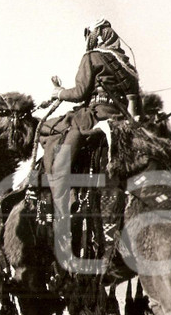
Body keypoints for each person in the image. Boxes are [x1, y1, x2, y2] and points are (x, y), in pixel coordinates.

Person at [43, 19, 140, 221]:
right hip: (120, 119)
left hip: (94, 116)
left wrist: (59, 92)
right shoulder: (126, 64)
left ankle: (59, 213)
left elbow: (79, 93)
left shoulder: (91, 57)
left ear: (95, 36)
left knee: (58, 156)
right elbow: (134, 100)